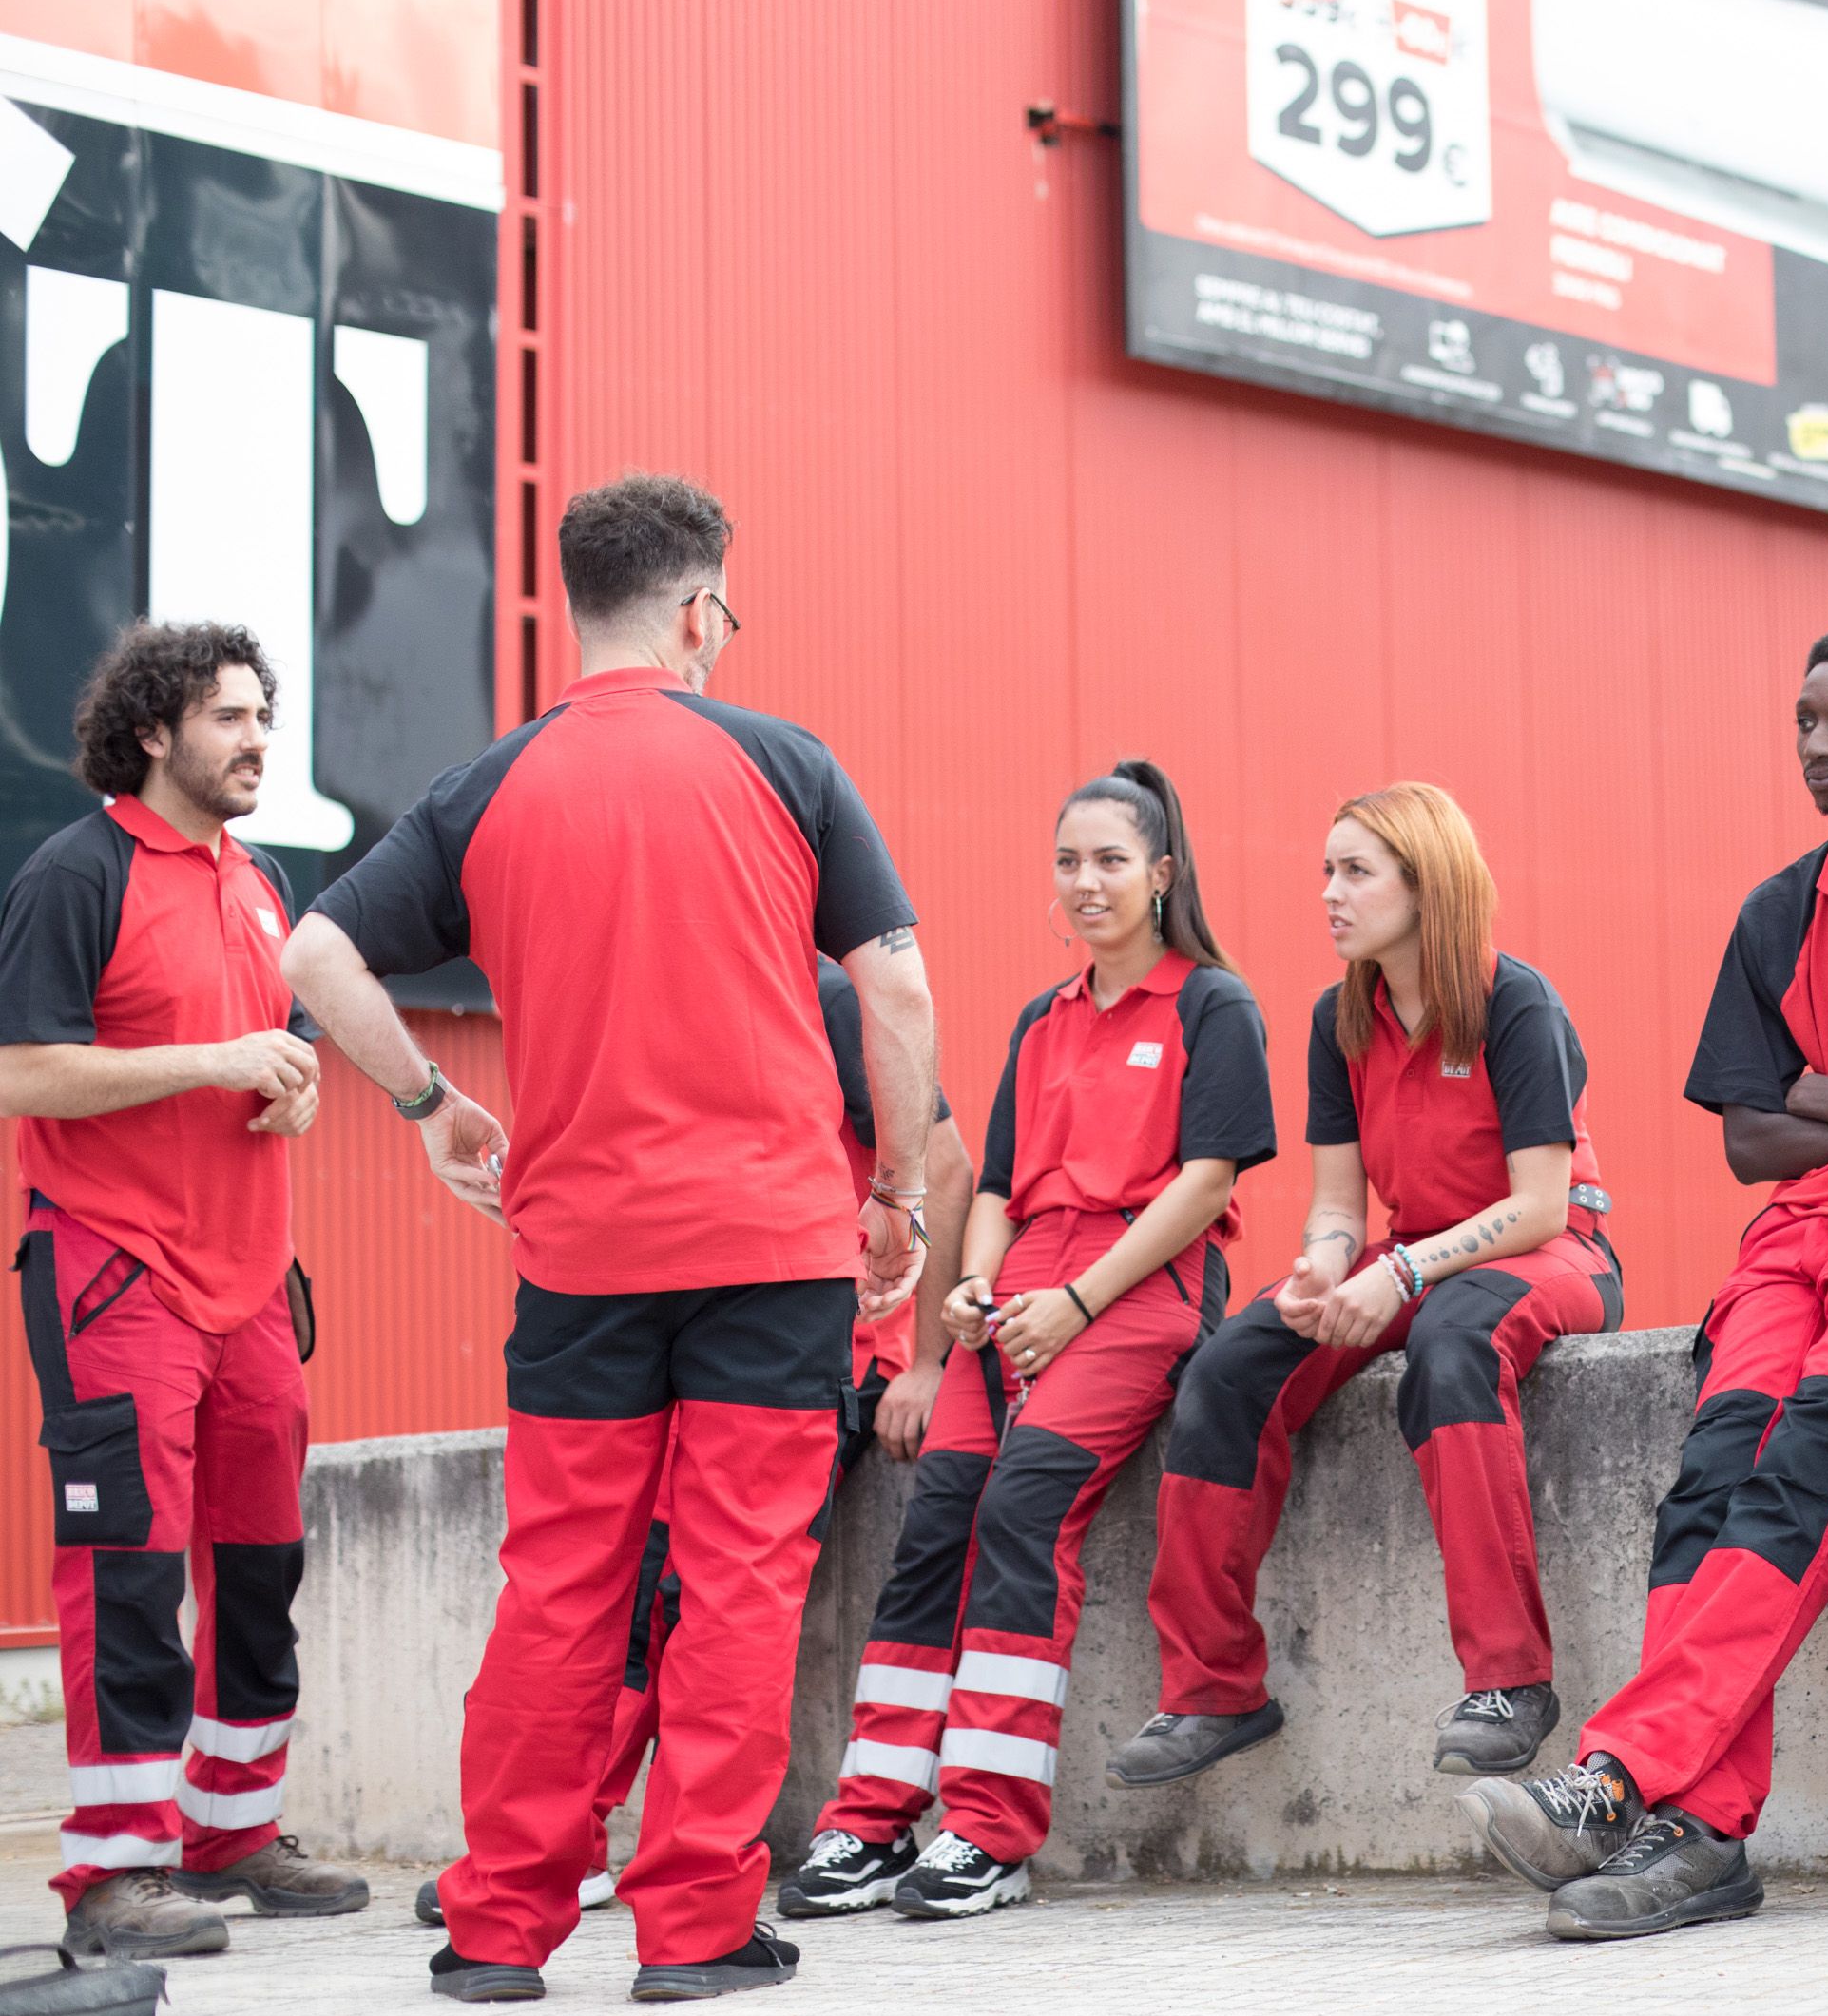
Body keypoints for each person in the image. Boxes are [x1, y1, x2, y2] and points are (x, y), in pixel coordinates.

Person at [284, 474, 935, 2003]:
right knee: (738, 1583)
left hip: (577, 1255)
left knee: (561, 1582)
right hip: (771, 1249)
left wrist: (432, 1103)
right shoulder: (786, 763)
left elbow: (312, 949)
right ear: (699, 612)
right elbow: (896, 987)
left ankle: (497, 1926)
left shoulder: (488, 786)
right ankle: (695, 1930)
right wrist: (899, 1191)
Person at [1460, 626, 1828, 1940]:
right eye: (1804, 722)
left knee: (1794, 1489)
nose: (1819, 746)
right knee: (1705, 1496)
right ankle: (1700, 1836)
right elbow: (1749, 1141)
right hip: (1786, 1251)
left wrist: (1821, 1089)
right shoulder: (1776, 912)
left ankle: (1620, 1781)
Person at [779, 763, 1272, 1920]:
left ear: (1161, 874)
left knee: (1024, 1507)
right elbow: (995, 1186)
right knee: (936, 1523)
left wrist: (1078, 1302)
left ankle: (989, 1830)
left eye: (1110, 860)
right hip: (1016, 1292)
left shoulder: (1212, 1005)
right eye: (1068, 860)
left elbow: (1205, 1184)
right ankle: (871, 1816)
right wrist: (974, 1285)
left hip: (1137, 1290)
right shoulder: (1041, 1020)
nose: (1086, 881)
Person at [412, 954, 975, 1930]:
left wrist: (924, 1361)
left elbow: (948, 1164)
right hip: (687, 1340)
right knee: (611, 1578)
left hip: (809, 1349)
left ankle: (632, 1864)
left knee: (679, 1584)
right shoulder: (669, 985)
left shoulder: (830, 997)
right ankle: (574, 1855)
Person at [1120, 781, 1620, 1786]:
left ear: (1424, 884)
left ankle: (1509, 1681)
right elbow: (1339, 1202)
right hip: (1413, 1255)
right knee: (1229, 1365)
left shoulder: (1515, 1001)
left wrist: (1399, 1268)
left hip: (1552, 1251)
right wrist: (1321, 1261)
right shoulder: (1338, 1016)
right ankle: (1211, 1688)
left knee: (1452, 1344)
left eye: (1355, 871)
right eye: (1326, 871)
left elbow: (1537, 1204)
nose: (1329, 893)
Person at [0, 622, 369, 1959]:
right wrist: (214, 1059)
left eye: (263, 714)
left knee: (262, 1564)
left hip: (254, 1283)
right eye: (229, 717)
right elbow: (21, 1069)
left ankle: (233, 1829)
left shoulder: (261, 880)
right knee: (129, 1570)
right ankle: (113, 1872)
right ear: (153, 732)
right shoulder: (75, 873)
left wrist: (294, 1082)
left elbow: (281, 1043)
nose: (259, 738)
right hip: (115, 1272)